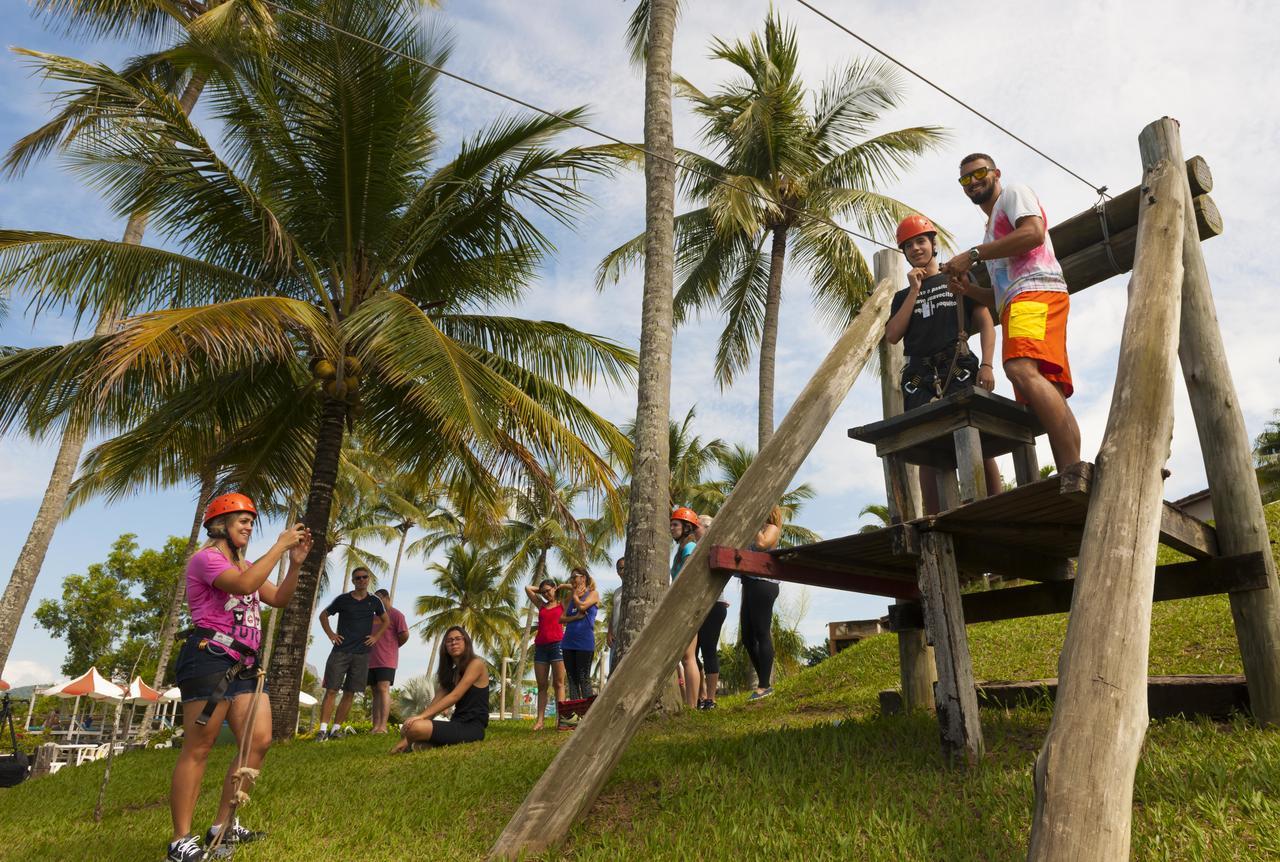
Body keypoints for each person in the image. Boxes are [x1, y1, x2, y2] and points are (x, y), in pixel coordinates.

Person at [167, 493, 311, 862]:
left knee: (258, 742)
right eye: (241, 520)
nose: (248, 526)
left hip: (245, 664)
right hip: (209, 658)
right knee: (199, 746)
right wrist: (279, 545)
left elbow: (277, 597)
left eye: (250, 521)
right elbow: (245, 586)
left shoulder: (247, 564)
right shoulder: (206, 560)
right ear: (220, 525)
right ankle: (180, 841)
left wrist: (294, 564)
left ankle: (222, 825)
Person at [940, 153, 1081, 470]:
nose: (973, 182)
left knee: (1019, 368)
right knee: (1048, 391)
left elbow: (1034, 233)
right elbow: (999, 296)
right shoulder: (992, 232)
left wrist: (974, 255)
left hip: (1035, 292)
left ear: (996, 173)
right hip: (1022, 298)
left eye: (979, 174)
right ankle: (1070, 472)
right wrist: (969, 291)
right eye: (965, 179)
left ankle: (1073, 471)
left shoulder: (1013, 194)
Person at [887, 212, 1003, 513]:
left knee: (974, 428)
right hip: (919, 373)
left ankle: (996, 503)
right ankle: (934, 515)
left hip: (956, 362)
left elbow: (985, 321)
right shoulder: (902, 296)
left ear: (933, 243)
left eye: (921, 242)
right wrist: (914, 291)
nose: (915, 249)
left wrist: (988, 365)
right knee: (927, 441)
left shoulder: (957, 279)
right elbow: (893, 335)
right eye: (908, 246)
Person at [391, 625, 489, 753]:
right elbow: (435, 703)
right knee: (407, 727)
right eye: (449, 640)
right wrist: (407, 737)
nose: (454, 642)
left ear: (466, 642)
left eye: (458, 639)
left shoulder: (476, 664)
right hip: (456, 723)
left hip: (473, 728)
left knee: (415, 727)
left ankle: (420, 744)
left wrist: (419, 719)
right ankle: (424, 746)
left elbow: (455, 696)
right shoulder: (452, 673)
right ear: (445, 647)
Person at [317, 567, 388, 740]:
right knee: (332, 690)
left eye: (364, 577)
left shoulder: (375, 601)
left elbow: (386, 620)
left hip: (362, 654)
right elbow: (323, 615)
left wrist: (376, 637)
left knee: (350, 692)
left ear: (368, 579)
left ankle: (335, 730)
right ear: (353, 581)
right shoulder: (343, 600)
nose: (361, 580)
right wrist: (331, 635)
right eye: (358, 578)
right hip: (340, 651)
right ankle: (322, 730)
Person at [740, 507, 783, 701]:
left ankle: (764, 685)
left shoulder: (771, 528)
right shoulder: (753, 528)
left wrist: (753, 523)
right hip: (749, 583)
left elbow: (761, 544)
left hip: (764, 583)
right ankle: (764, 682)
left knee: (762, 632)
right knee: (748, 637)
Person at [523, 578, 566, 731]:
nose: (546, 594)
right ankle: (540, 721)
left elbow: (574, 590)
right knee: (542, 685)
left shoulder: (563, 605)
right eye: (544, 592)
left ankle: (561, 720)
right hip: (541, 647)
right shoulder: (541, 605)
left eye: (549, 590)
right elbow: (528, 588)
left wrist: (560, 587)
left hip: (557, 645)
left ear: (555, 588)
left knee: (558, 683)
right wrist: (540, 590)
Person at [669, 507, 701, 709]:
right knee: (686, 657)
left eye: (675, 524)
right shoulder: (682, 548)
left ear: (687, 527)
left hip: (686, 605)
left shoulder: (689, 548)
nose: (671, 528)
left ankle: (691, 705)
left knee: (689, 658)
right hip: (681, 604)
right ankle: (690, 704)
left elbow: (688, 577)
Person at [558, 567, 599, 726]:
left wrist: (575, 594)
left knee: (584, 679)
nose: (574, 578)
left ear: (584, 578)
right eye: (572, 576)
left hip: (584, 643)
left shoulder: (593, 594)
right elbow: (561, 619)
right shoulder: (570, 598)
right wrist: (575, 616)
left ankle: (590, 717)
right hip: (568, 642)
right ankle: (576, 716)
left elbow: (583, 607)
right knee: (572, 680)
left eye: (577, 576)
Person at [694, 514, 727, 710]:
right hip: (696, 607)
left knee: (708, 650)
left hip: (714, 604)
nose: (693, 529)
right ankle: (701, 695)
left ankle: (711, 698)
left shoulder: (714, 549)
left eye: (697, 526)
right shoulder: (693, 549)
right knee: (692, 653)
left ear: (707, 529)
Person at [366, 588, 409, 734]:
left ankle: (382, 727)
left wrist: (392, 648)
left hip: (386, 660)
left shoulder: (397, 615)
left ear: (386, 598)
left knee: (383, 689)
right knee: (374, 692)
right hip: (370, 660)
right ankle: (375, 726)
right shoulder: (371, 617)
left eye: (378, 599)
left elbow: (404, 635)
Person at [606, 557, 625, 677]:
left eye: (626, 567)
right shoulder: (617, 592)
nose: (624, 571)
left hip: (628, 635)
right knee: (613, 672)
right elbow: (613, 613)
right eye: (621, 568)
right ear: (618, 572)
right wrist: (609, 632)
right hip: (615, 638)